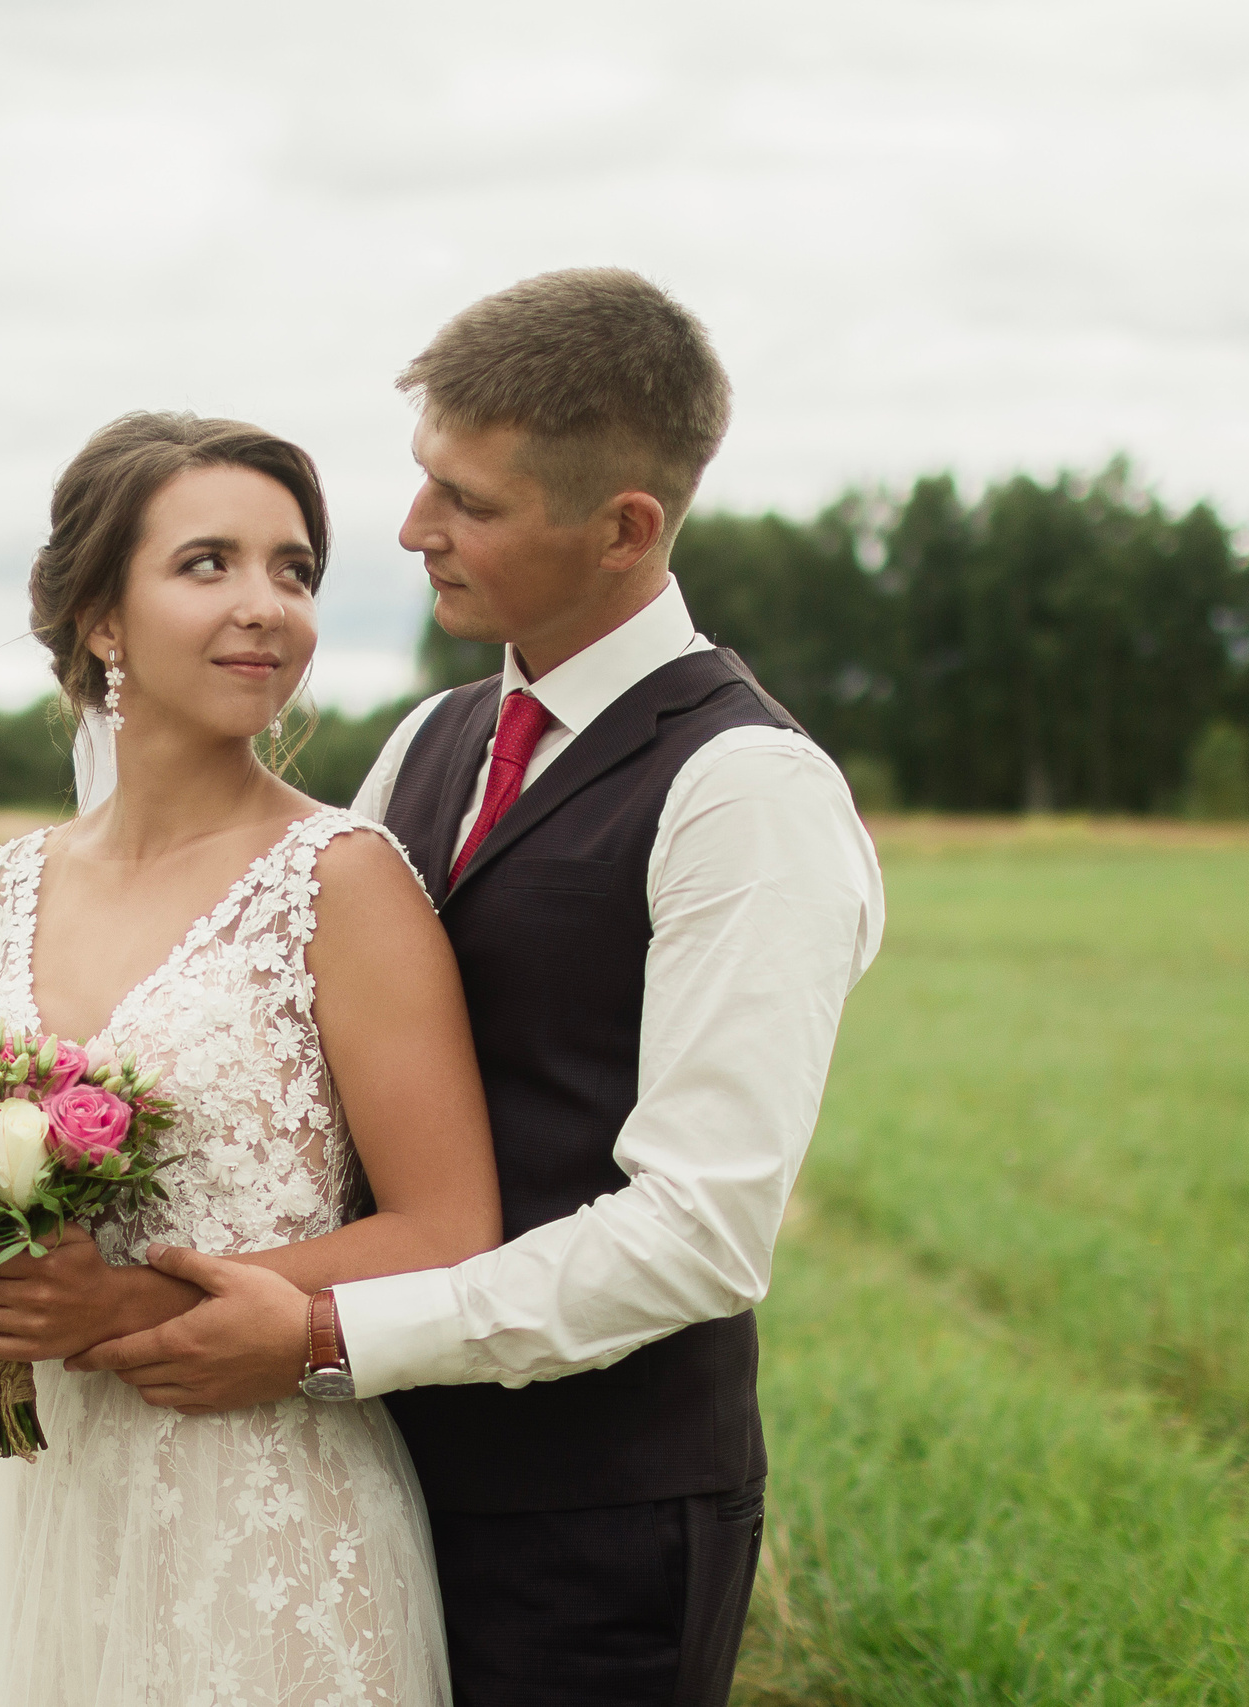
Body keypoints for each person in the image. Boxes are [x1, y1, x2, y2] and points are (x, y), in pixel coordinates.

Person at [61, 270, 887, 1706]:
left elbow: (700, 1235)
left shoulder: (746, 794)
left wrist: (324, 1332)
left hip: (595, 1523)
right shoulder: (433, 739)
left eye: (471, 502)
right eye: (422, 480)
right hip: (358, 1480)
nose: (411, 528)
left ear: (625, 528)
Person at [0, 410, 505, 1706]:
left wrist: (128, 1306)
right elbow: (14, 1177)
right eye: (208, 564)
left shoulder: (339, 882)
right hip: (61, 1497)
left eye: (294, 571)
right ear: (101, 622)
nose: (266, 607)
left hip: (266, 1505)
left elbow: (450, 1223)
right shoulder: (17, 883)